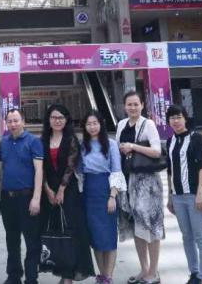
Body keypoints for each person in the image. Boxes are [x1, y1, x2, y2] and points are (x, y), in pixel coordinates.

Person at [40, 104, 95, 283]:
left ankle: (68, 277)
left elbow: (71, 166)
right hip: (48, 191)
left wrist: (61, 189)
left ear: (66, 120)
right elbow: (40, 167)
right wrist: (47, 189)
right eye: (54, 117)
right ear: (48, 120)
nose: (57, 121)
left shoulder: (71, 139)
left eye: (61, 118)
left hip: (68, 191)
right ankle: (62, 270)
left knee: (71, 231)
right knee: (56, 231)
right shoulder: (43, 140)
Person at [116, 91, 165, 284]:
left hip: (147, 183)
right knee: (137, 227)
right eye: (129, 104)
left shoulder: (148, 124)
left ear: (142, 105)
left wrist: (133, 146)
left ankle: (154, 271)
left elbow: (157, 151)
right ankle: (144, 270)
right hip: (128, 181)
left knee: (151, 227)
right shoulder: (121, 124)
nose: (133, 108)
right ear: (124, 106)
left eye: (136, 104)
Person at [165, 105, 202, 284]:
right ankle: (194, 272)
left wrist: (200, 193)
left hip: (193, 196)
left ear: (185, 118)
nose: (176, 121)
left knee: (200, 237)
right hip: (177, 197)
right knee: (187, 237)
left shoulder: (196, 138)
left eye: (179, 117)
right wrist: (169, 195)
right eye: (172, 118)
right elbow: (170, 171)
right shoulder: (170, 141)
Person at [79, 110, 126, 284]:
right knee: (95, 236)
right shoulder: (82, 145)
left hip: (106, 190)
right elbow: (78, 171)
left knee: (109, 235)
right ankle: (102, 274)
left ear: (101, 124)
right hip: (88, 192)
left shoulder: (111, 144)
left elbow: (116, 170)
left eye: (95, 123)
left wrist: (112, 196)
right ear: (84, 126)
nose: (92, 127)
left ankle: (109, 276)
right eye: (89, 124)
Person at [0, 108, 43, 284]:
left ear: (23, 121)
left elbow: (39, 170)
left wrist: (36, 198)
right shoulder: (4, 142)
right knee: (12, 239)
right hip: (7, 199)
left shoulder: (33, 142)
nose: (13, 124)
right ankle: (14, 275)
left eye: (16, 120)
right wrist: (1, 196)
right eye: (9, 121)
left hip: (27, 197)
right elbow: (3, 169)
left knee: (32, 241)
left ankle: (31, 278)